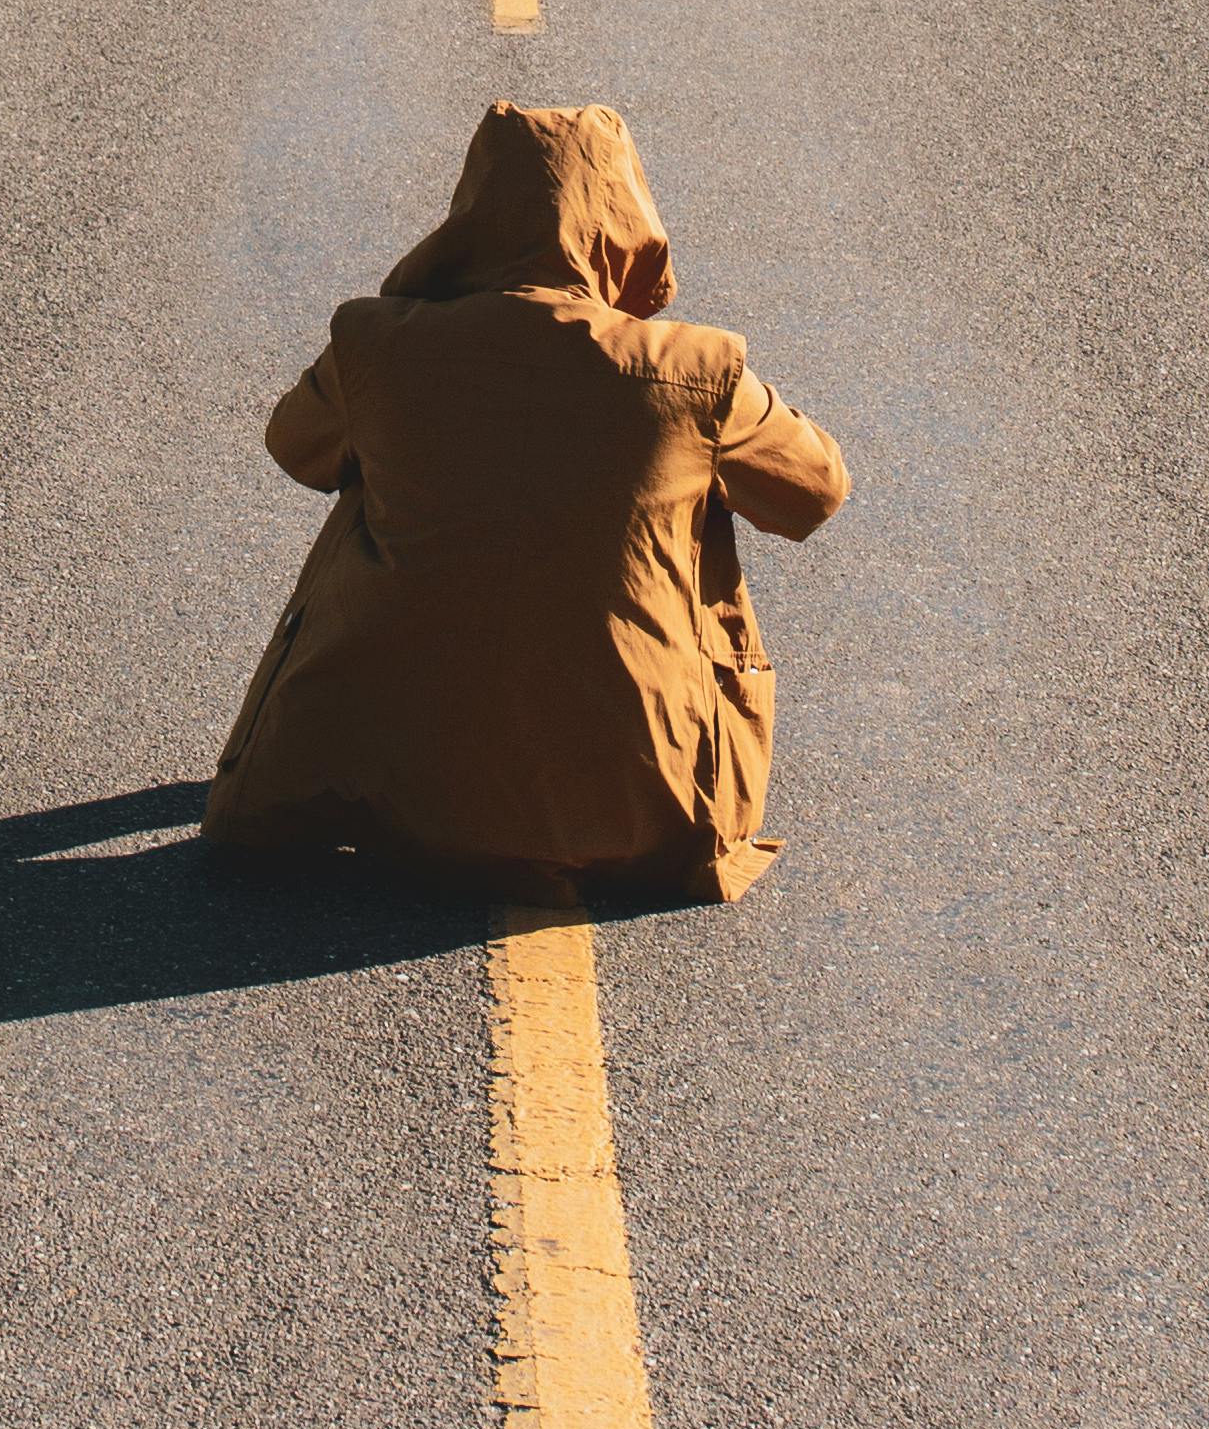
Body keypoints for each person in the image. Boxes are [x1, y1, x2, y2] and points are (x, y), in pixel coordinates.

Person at [205, 101, 850, 900]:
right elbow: (816, 491)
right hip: (635, 804)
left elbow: (295, 449)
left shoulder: (376, 342)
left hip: (372, 786)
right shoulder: (694, 368)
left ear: (469, 211)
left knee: (371, 475)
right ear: (628, 215)